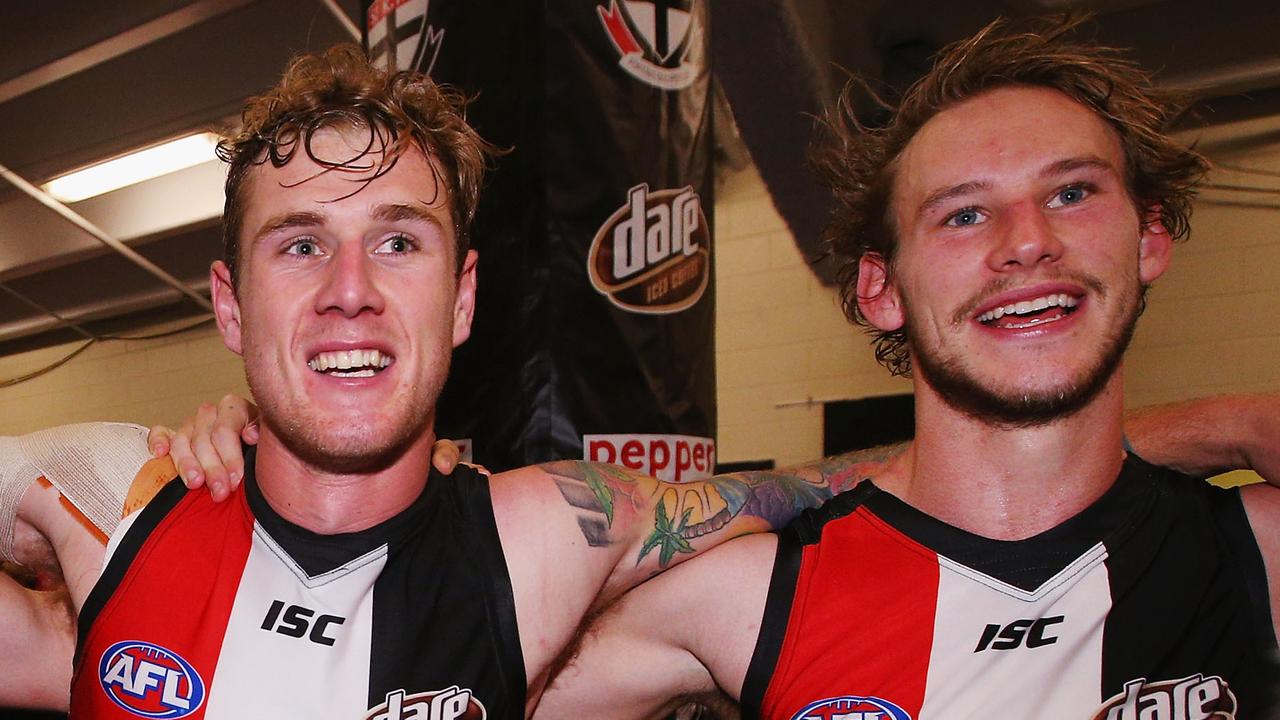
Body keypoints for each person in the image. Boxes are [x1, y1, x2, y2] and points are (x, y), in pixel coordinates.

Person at [2, 31, 1276, 720]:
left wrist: (1203, 427)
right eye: (299, 246)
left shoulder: (549, 536)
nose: (348, 289)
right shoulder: (107, 496)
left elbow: (820, 492)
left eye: (398, 240)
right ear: (228, 303)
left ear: (462, 301)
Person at [528, 17, 1279, 719]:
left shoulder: (1258, 552)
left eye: (1072, 192)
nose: (1027, 240)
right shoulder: (743, 597)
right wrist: (1223, 425)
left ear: (1149, 237)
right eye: (963, 213)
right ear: (880, 289)